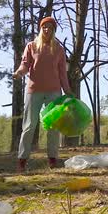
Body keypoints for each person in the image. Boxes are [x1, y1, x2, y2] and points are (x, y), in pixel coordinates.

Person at [13, 16, 73, 172]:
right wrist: (19, 73)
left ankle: (52, 159)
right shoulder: (32, 46)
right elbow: (25, 65)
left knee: (53, 126)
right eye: (44, 27)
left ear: (54, 31)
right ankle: (22, 160)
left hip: (54, 92)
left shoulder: (58, 49)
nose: (47, 29)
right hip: (34, 91)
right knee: (29, 125)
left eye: (50, 28)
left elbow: (62, 73)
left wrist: (67, 91)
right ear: (41, 29)